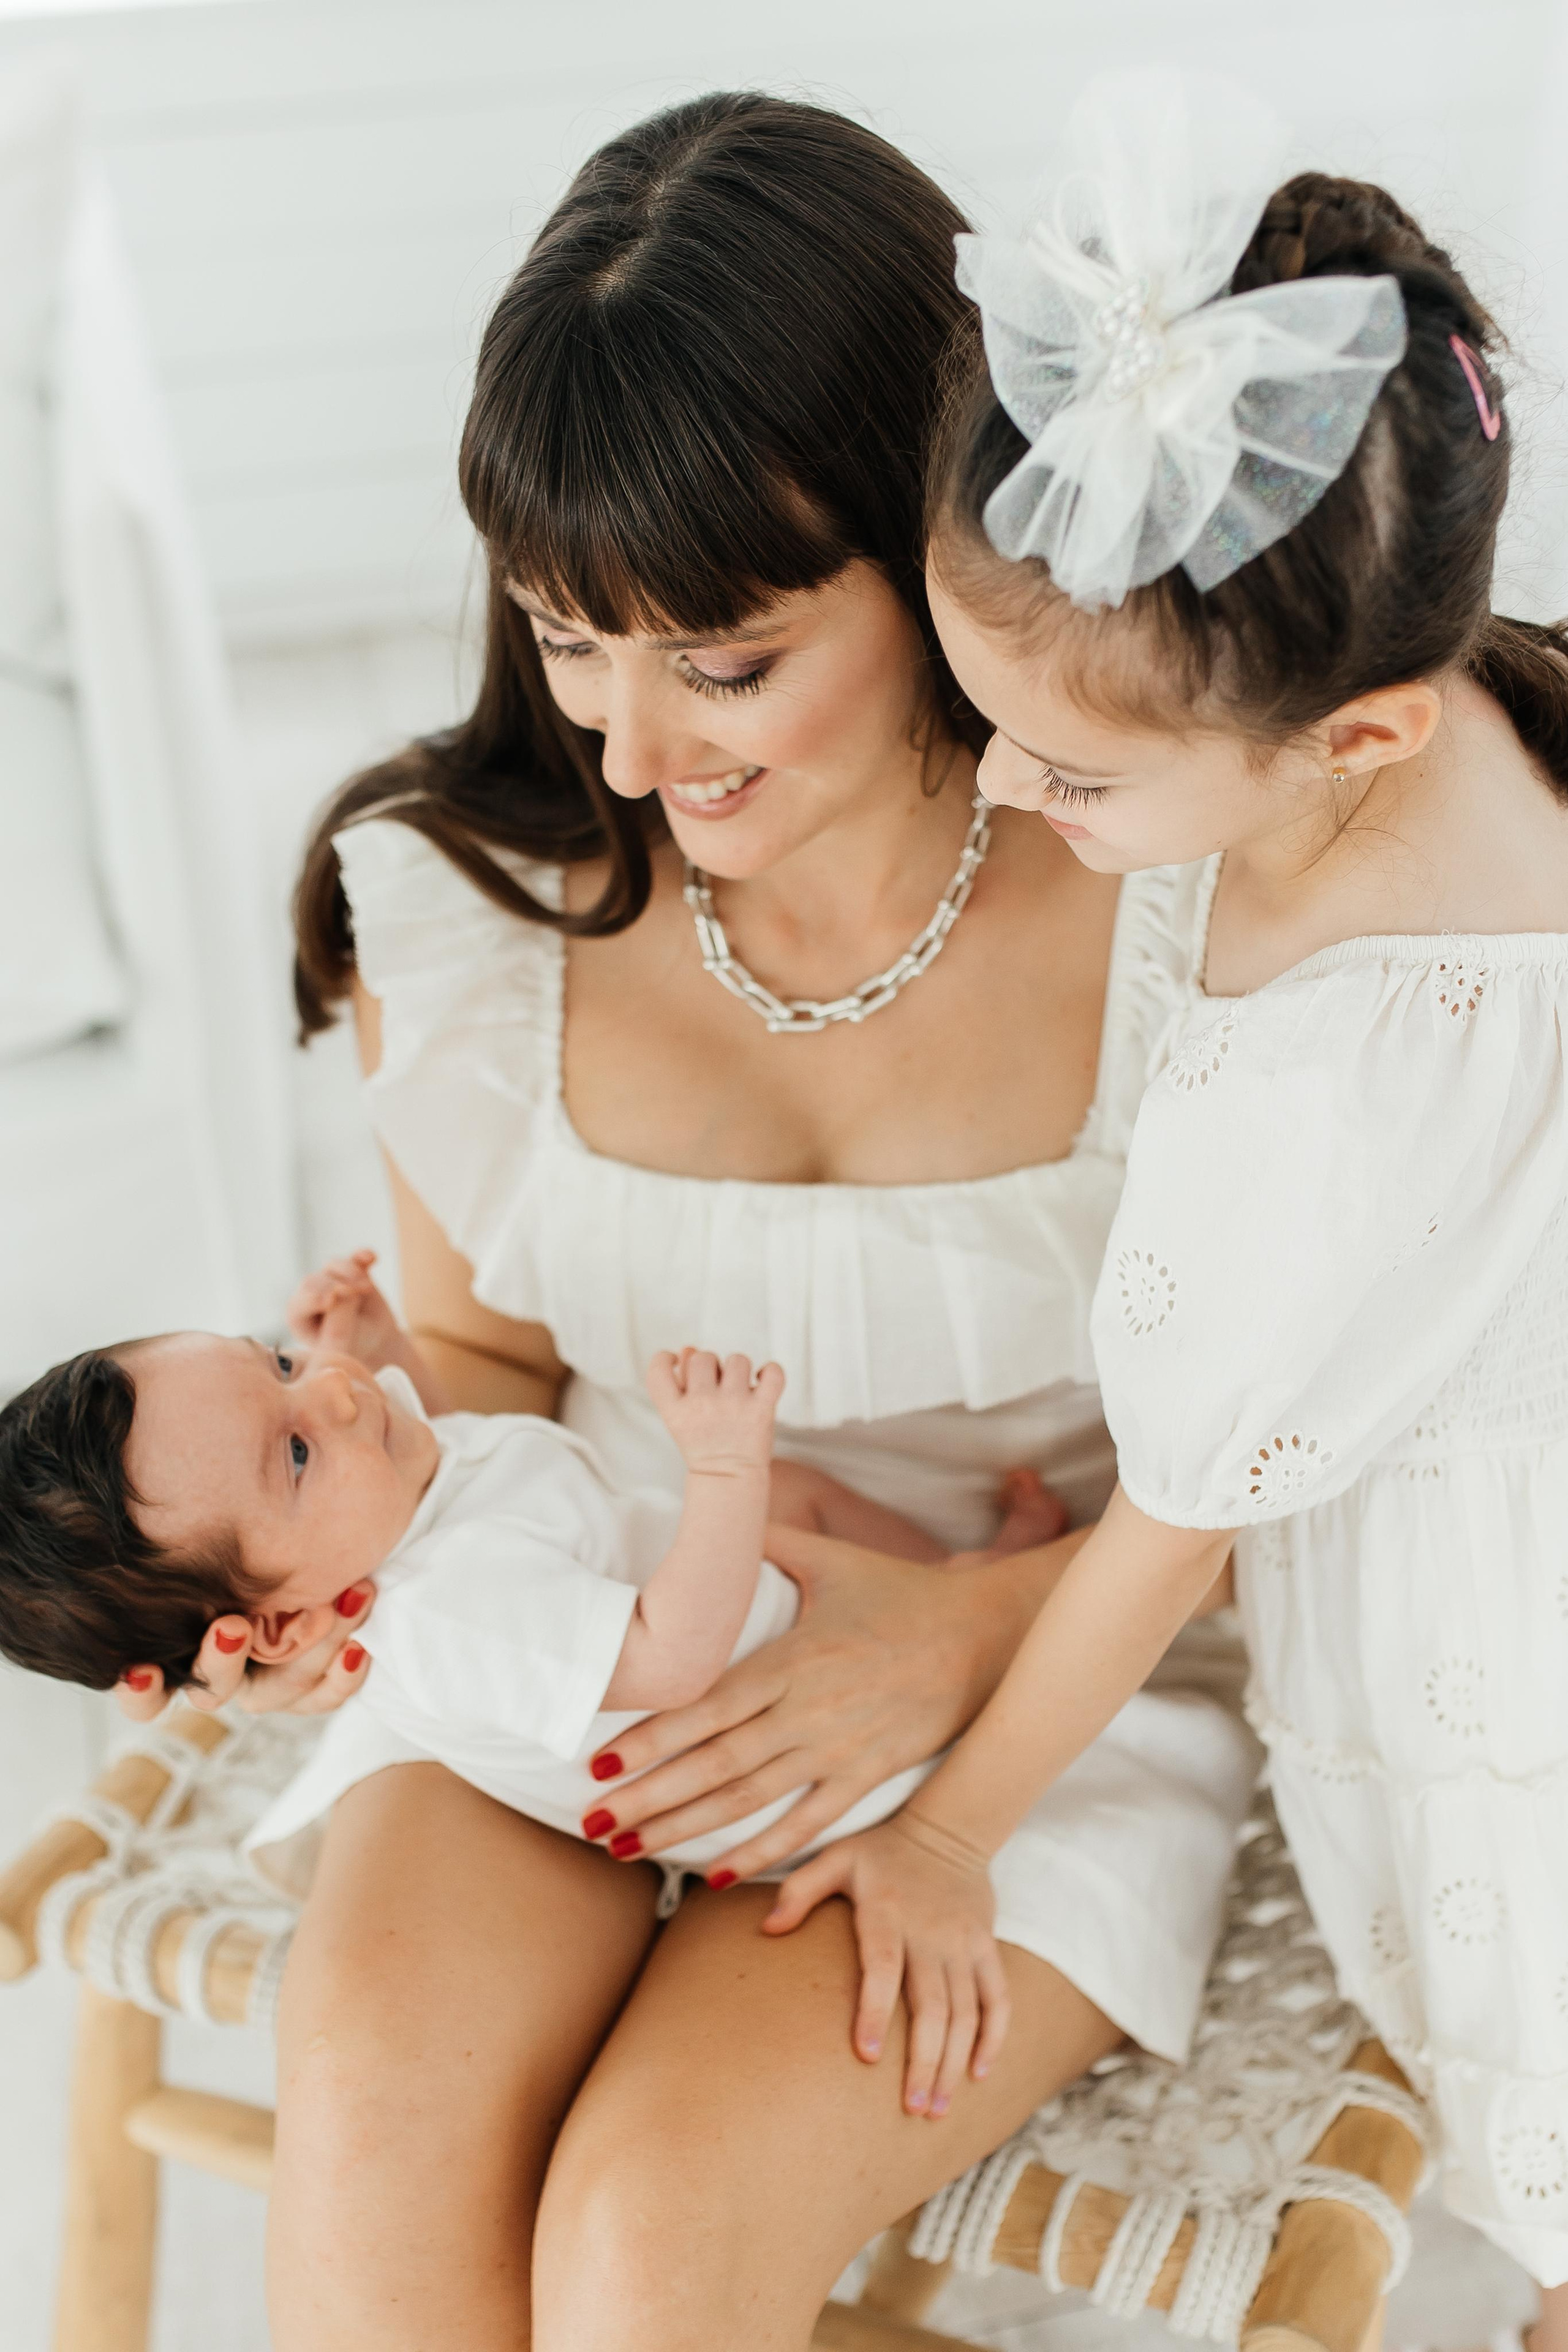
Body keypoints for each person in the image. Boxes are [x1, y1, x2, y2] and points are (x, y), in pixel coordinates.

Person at [119, 94, 1257, 2352]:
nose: (632, 753)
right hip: (582, 1610)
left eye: (722, 663)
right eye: (565, 639)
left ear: (944, 554)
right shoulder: (469, 907)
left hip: (1065, 1663)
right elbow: (494, 1382)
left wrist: (954, 1641)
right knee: (373, 2105)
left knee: (644, 2240)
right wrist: (308, 1453)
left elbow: (1346, 1441)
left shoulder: (1184, 897)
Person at [772, 73, 1568, 2323]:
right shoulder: (1428, 722)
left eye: (1078, 772)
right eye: (985, 705)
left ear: (1358, 741)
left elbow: (1179, 1516)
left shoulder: (1342, 1067)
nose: (1008, 791)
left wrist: (942, 1834)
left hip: (1504, 1646)